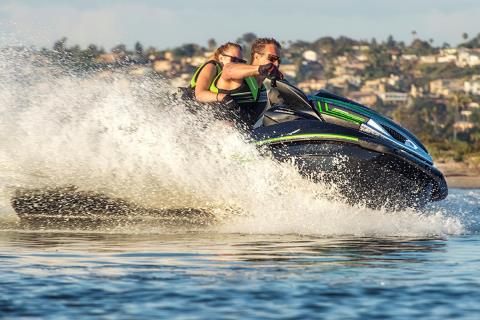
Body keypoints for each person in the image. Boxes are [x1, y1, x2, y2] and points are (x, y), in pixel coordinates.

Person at [211, 37, 283, 128]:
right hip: (214, 133)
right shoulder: (239, 76)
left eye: (278, 60)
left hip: (240, 138)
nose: (276, 64)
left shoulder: (263, 92)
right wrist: (260, 69)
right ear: (257, 56)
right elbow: (228, 69)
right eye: (272, 59)